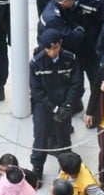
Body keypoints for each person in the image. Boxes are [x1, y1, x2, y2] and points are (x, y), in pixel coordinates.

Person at [29, 29, 82, 181]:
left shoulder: (70, 59)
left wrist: (67, 106)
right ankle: (37, 166)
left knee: (64, 136)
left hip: (64, 103)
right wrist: (54, 108)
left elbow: (75, 83)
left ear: (60, 44)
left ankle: (66, 167)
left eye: (56, 48)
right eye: (49, 48)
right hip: (44, 106)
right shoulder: (36, 63)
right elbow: (36, 91)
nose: (53, 51)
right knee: (41, 135)